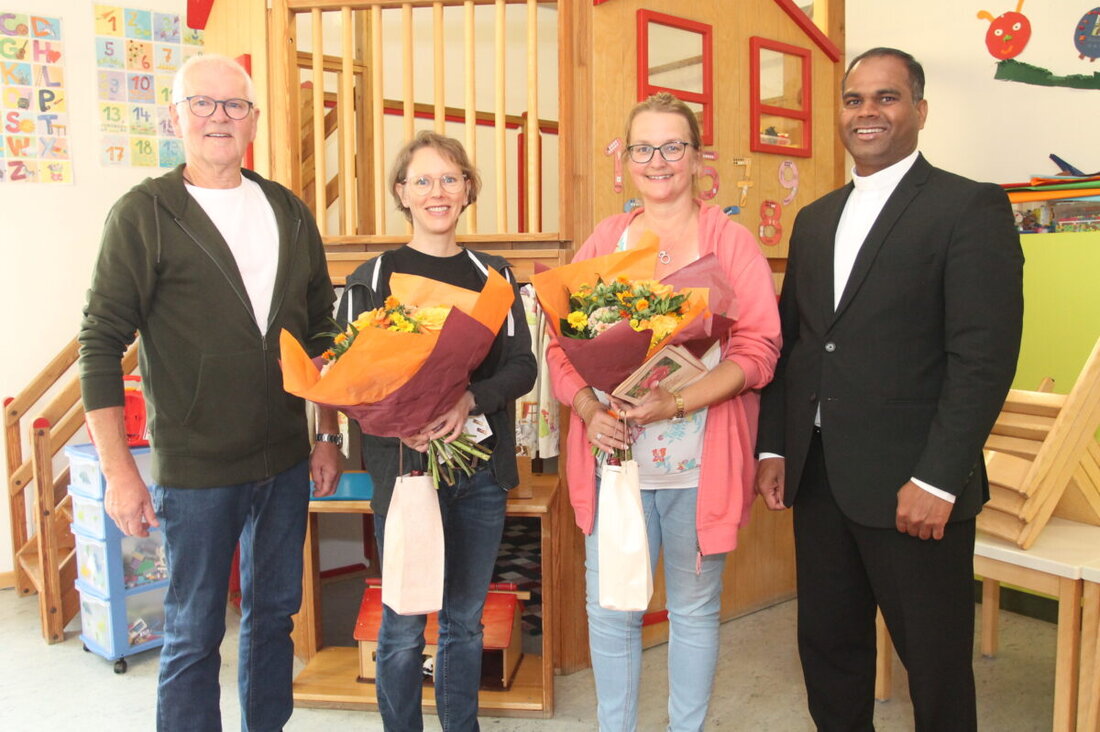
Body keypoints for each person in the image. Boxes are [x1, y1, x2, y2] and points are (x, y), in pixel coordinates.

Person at [754, 48, 1024, 731]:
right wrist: (774, 449)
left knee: (932, 668)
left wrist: (938, 479)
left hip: (915, 489)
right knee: (828, 651)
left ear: (919, 111)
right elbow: (800, 345)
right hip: (819, 480)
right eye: (854, 100)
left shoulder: (971, 206)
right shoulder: (814, 220)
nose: (867, 112)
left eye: (887, 97)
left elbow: (983, 360)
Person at [78, 53, 343, 731]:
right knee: (193, 632)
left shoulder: (287, 209)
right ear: (176, 116)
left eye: (234, 105)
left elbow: (323, 335)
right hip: (196, 469)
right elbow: (100, 344)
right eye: (203, 103)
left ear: (253, 120)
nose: (219, 118)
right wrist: (118, 473)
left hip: (285, 460)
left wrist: (327, 433)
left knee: (273, 618)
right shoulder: (144, 214)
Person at [546, 92, 781, 731]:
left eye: (673, 146)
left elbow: (759, 351)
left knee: (695, 609)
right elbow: (561, 348)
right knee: (613, 608)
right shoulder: (604, 240)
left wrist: (674, 399)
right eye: (643, 147)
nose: (658, 161)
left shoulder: (731, 244)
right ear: (624, 161)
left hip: (699, 466)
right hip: (616, 463)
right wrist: (589, 406)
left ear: (699, 158)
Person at [337, 131, 536, 731]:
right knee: (401, 621)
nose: (437, 192)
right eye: (422, 180)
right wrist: (403, 419)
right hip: (402, 475)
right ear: (402, 192)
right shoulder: (372, 277)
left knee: (464, 620)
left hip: (479, 473)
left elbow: (524, 365)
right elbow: (347, 378)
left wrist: (471, 397)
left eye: (450, 178)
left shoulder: (494, 275)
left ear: (468, 188)